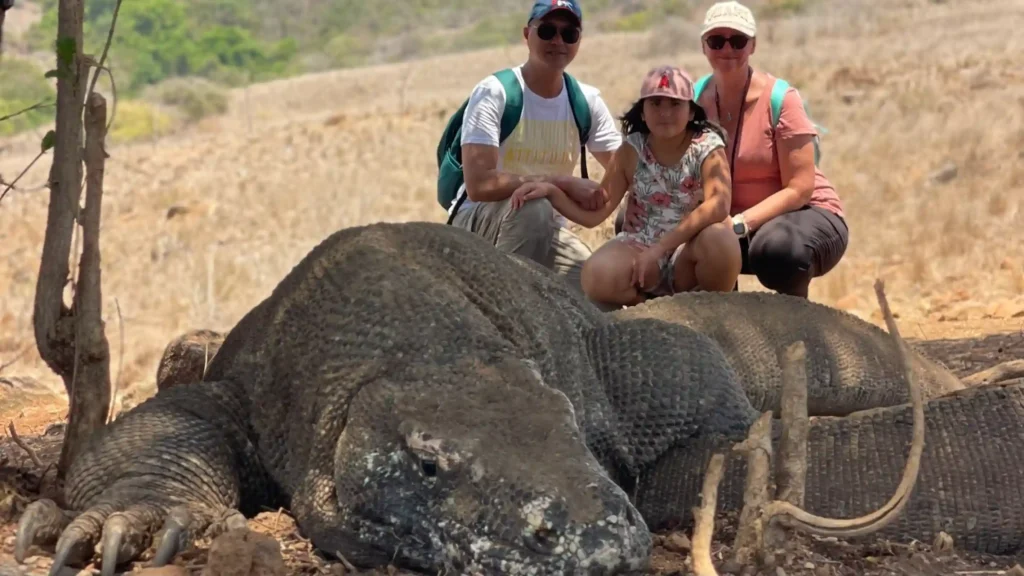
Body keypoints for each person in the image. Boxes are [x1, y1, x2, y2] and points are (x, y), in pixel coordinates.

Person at [618, 1, 849, 299]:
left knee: (779, 250)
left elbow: (800, 189)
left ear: (753, 45)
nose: (727, 49)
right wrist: (636, 199)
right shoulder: (692, 100)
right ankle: (712, 317)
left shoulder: (782, 99)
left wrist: (740, 224)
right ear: (703, 46)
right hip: (722, 219)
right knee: (632, 223)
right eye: (716, 41)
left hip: (800, 215)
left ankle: (796, 324)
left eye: (738, 40)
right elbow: (660, 157)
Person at [510, 65, 739, 308]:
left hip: (689, 249)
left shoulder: (707, 147)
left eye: (675, 104)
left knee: (721, 241)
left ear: (691, 112)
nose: (665, 113)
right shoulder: (631, 149)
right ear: (642, 112)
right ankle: (652, 311)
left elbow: (719, 205)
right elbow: (596, 212)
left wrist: (661, 248)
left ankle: (712, 312)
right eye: (655, 103)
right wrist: (552, 192)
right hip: (641, 246)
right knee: (596, 276)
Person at [449, 0, 623, 294]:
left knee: (598, 291)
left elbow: (625, 169)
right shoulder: (495, 93)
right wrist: (560, 183)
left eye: (569, 33)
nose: (558, 41)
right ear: (526, 34)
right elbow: (478, 185)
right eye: (547, 31)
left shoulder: (585, 101)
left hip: (547, 229)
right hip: (481, 222)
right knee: (533, 205)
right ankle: (504, 304)